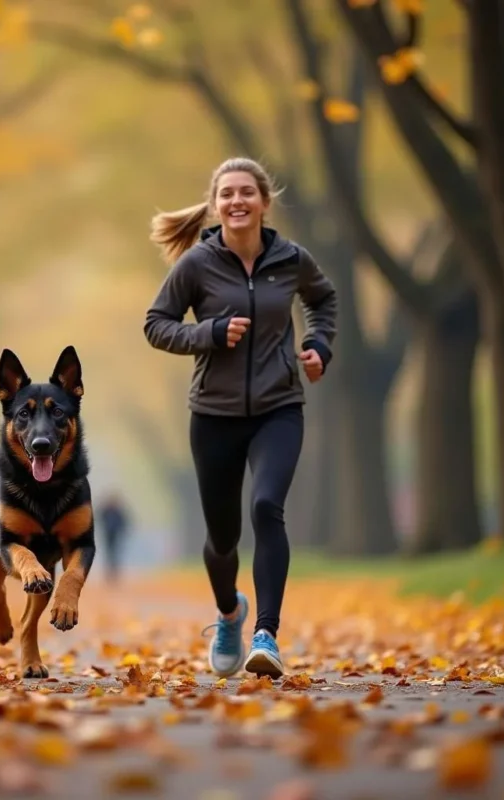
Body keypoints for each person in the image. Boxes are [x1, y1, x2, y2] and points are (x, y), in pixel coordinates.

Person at [143, 157, 337, 679]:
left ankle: (267, 635)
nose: (236, 201)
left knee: (268, 506)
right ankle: (230, 612)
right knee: (222, 538)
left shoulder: (291, 259)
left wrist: (318, 344)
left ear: (263, 202)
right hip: (214, 415)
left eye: (246, 192)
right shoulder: (196, 265)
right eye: (227, 193)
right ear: (215, 203)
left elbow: (323, 299)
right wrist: (209, 333)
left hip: (279, 407)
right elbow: (156, 325)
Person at [96, 492, 131, 583]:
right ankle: (109, 575)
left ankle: (115, 574)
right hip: (108, 535)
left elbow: (123, 522)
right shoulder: (106, 510)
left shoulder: (117, 511)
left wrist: (122, 530)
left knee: (115, 555)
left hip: (116, 535)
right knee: (109, 554)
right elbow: (99, 516)